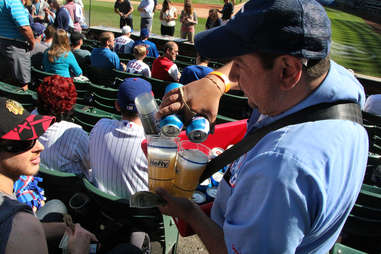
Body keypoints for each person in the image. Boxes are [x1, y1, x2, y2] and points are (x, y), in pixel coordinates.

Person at [157, 0, 369, 253]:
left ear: (287, 71)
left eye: (241, 66)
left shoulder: (279, 170)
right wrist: (217, 81)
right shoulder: (340, 85)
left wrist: (189, 212)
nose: (236, 77)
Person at [0, 96, 98, 254]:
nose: (39, 146)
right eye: (25, 142)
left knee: (56, 204)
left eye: (35, 136)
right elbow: (22, 230)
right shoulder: (21, 225)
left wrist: (62, 228)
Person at [89, 77, 151, 198]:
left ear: (117, 106)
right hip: (139, 214)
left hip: (100, 205)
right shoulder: (154, 144)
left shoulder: (100, 124)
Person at [32, 75, 90, 176]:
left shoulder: (30, 118)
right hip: (69, 189)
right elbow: (90, 165)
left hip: (35, 180)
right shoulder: (77, 134)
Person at [0, 0, 35, 91]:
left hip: (3, 43)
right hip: (16, 47)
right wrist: (32, 42)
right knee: (22, 84)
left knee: (5, 81)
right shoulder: (13, 2)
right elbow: (24, 27)